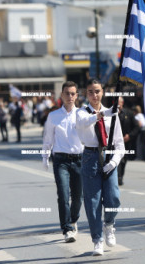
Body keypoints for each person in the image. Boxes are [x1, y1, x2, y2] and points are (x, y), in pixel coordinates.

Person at [76, 78, 125, 256]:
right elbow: (82, 124)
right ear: (86, 93)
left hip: (109, 155)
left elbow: (120, 144)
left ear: (102, 92)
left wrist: (113, 162)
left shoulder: (112, 113)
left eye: (97, 91)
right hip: (90, 157)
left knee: (113, 198)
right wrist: (102, 115)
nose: (94, 95)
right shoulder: (82, 112)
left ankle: (109, 224)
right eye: (90, 91)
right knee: (93, 202)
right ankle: (97, 240)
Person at [42, 81, 83, 243]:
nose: (70, 97)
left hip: (80, 160)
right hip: (61, 161)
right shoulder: (53, 116)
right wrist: (45, 157)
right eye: (67, 93)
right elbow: (48, 139)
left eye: (73, 93)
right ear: (62, 95)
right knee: (63, 195)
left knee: (78, 197)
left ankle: (73, 220)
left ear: (77, 96)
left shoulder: (82, 114)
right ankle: (67, 228)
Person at [117, 97, 139, 185]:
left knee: (123, 160)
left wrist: (129, 136)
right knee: (116, 160)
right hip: (114, 143)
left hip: (126, 143)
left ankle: (120, 176)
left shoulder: (129, 114)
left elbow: (136, 127)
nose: (118, 104)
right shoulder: (110, 113)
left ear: (122, 103)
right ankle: (117, 177)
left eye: (119, 102)